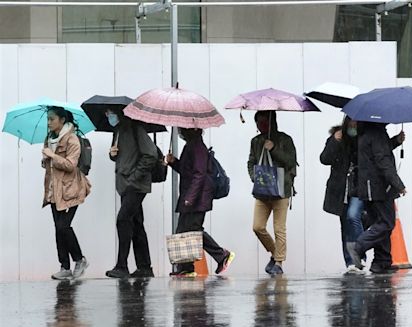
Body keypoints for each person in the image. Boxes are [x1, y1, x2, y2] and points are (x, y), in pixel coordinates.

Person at [166, 128, 235, 277]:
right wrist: (174, 163)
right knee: (183, 232)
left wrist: (190, 197)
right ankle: (186, 268)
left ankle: (222, 255)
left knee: (194, 231)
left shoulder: (197, 147)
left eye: (182, 129)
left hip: (197, 198)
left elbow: (200, 174)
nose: (180, 131)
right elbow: (187, 171)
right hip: (192, 196)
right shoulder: (191, 145)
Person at [347, 122, 406, 274]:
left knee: (378, 223)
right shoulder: (377, 133)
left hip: (369, 188)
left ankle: (382, 261)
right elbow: (383, 161)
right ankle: (359, 246)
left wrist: (395, 141)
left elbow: (376, 152)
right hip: (379, 187)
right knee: (386, 223)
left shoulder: (368, 132)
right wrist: (398, 184)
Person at [105, 108, 157, 278]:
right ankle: (145, 267)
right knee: (136, 224)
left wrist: (134, 177)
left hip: (135, 185)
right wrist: (112, 155)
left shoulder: (136, 129)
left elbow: (150, 154)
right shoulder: (118, 131)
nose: (108, 116)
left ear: (119, 113)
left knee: (123, 219)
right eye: (106, 114)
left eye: (110, 113)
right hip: (124, 185)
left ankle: (122, 266)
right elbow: (123, 157)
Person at [42, 106, 91, 280]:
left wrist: (52, 156)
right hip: (54, 190)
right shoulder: (49, 138)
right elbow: (48, 166)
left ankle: (80, 259)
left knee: (64, 226)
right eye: (47, 119)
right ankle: (65, 267)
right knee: (58, 229)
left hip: (71, 190)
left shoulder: (72, 139)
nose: (48, 123)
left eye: (52, 119)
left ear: (62, 120)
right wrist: (45, 159)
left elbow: (70, 165)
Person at [247, 111, 297, 276]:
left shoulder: (285, 139)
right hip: (262, 191)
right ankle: (276, 253)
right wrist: (254, 177)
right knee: (258, 227)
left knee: (279, 228)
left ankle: (279, 262)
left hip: (281, 190)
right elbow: (251, 162)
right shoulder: (255, 141)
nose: (260, 126)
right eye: (258, 123)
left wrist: (274, 148)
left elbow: (291, 161)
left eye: (263, 122)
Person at [320, 117, 365, 273]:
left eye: (355, 122)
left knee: (354, 218)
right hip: (342, 189)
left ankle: (359, 255)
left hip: (358, 186)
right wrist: (335, 141)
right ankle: (350, 261)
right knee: (345, 225)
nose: (353, 125)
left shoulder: (363, 138)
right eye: (351, 122)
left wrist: (396, 141)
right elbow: (324, 159)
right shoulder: (337, 138)